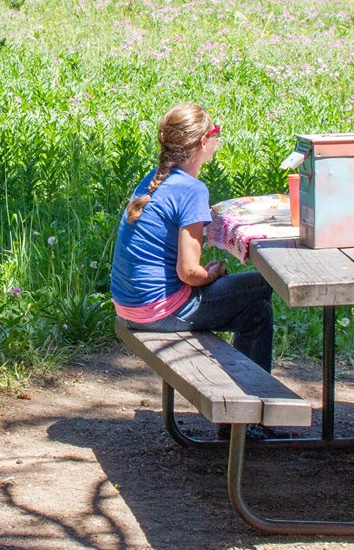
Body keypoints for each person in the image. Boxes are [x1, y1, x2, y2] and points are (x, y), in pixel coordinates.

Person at [110, 102, 289, 439]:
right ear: (199, 144)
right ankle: (247, 420)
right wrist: (214, 274)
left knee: (257, 311)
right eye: (215, 133)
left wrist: (203, 276)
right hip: (159, 309)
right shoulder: (192, 190)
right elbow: (189, 273)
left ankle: (243, 419)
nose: (217, 139)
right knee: (265, 286)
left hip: (131, 305)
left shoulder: (156, 179)